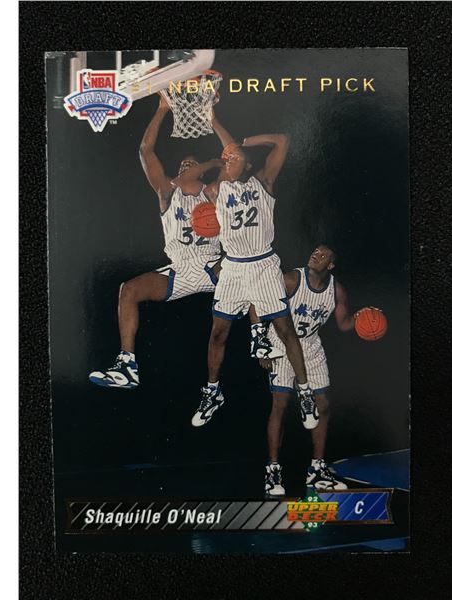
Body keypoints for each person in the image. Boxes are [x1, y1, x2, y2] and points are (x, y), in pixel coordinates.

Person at [191, 116, 318, 430]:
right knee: (218, 333)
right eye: (228, 159)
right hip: (233, 268)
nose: (231, 160)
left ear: (247, 165)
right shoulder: (217, 189)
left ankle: (305, 392)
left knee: (286, 330)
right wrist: (213, 121)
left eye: (237, 159)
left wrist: (245, 142)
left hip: (263, 265)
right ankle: (212, 393)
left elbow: (282, 140)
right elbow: (226, 155)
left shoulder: (264, 182)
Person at [89, 96, 223, 389]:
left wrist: (212, 121)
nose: (187, 166)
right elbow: (145, 150)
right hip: (180, 270)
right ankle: (127, 366)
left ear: (201, 171)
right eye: (183, 165)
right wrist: (162, 108)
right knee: (128, 290)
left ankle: (264, 337)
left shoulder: (212, 192)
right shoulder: (167, 191)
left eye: (192, 164)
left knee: (254, 268)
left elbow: (233, 161)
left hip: (213, 264)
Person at [260, 244, 365, 496]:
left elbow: (344, 324)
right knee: (280, 404)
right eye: (315, 252)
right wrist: (262, 345)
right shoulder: (291, 279)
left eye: (322, 255)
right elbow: (260, 303)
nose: (315, 256)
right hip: (282, 342)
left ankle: (316, 469)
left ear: (331, 265)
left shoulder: (336, 290)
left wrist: (362, 318)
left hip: (310, 346)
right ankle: (273, 470)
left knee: (323, 404)